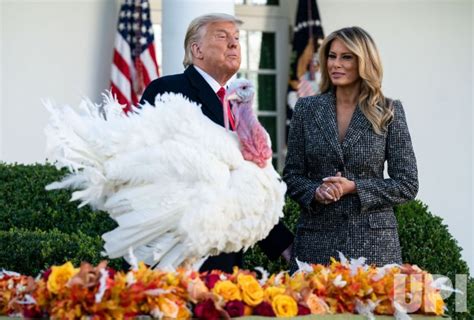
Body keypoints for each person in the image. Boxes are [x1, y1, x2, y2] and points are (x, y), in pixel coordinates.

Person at [140, 13, 293, 273]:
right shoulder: (167, 91)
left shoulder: (238, 102)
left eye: (236, 38)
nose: (233, 44)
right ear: (196, 49)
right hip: (178, 250)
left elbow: (246, 186)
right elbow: (152, 170)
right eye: (222, 37)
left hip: (227, 253)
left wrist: (287, 248)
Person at [283, 26, 418, 272]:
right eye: (332, 56)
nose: (336, 64)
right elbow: (291, 176)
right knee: (311, 310)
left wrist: (354, 187)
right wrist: (316, 191)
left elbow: (407, 184)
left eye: (346, 57)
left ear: (364, 61)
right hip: (315, 244)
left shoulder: (389, 111)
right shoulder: (306, 109)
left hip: (374, 245)